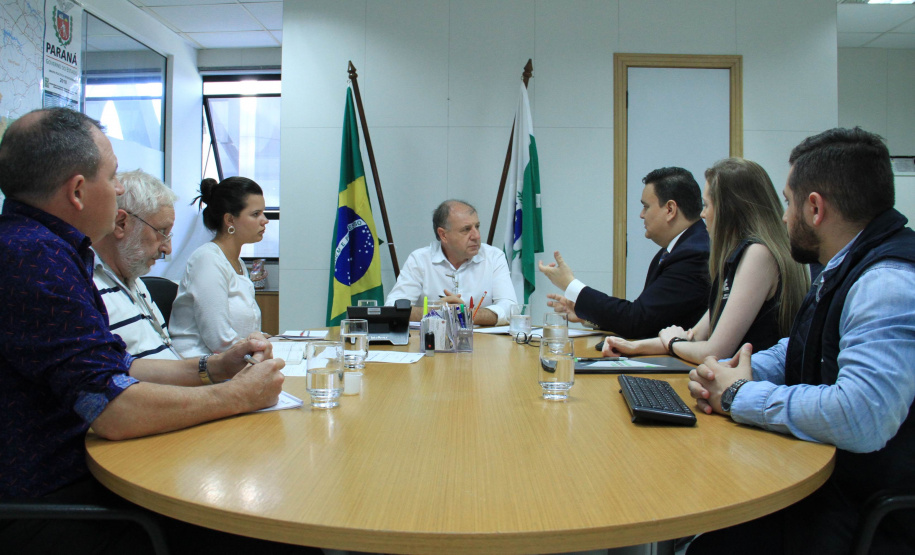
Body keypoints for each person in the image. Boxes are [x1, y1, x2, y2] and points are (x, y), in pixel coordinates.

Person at [0, 109, 301, 553]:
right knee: (271, 527)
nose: (119, 188)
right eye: (114, 175)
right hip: (63, 499)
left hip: (95, 471)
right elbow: (113, 409)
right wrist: (238, 396)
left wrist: (213, 368)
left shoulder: (42, 247)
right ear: (79, 191)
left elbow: (119, 366)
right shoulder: (35, 259)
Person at [686, 128, 915, 554]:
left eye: (788, 202)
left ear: (814, 208)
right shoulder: (844, 265)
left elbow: (861, 416)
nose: (784, 216)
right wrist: (728, 370)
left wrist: (738, 395)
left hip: (864, 515)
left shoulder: (887, 283)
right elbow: (807, 343)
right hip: (825, 482)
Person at [603, 158, 809, 364]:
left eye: (707, 205)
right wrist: (632, 347)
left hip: (751, 387)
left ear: (730, 209)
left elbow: (714, 351)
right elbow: (695, 336)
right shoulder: (736, 257)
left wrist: (673, 342)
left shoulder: (758, 254)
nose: (702, 214)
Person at [538, 166, 710, 338]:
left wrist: (569, 284)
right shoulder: (674, 250)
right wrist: (586, 316)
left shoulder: (693, 255)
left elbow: (637, 320)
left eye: (646, 207)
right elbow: (647, 317)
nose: (641, 215)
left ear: (670, 209)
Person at [169, 177, 268, 357]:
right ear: (230, 220)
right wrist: (260, 352)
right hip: (202, 370)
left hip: (233, 364)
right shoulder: (207, 260)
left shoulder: (237, 264)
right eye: (256, 214)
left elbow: (243, 335)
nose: (265, 220)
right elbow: (220, 341)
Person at [92, 169, 180, 360]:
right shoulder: (88, 287)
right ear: (121, 223)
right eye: (162, 232)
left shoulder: (133, 279)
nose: (167, 249)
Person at [385, 199, 517, 325]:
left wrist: (465, 314)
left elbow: (511, 308)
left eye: (477, 226)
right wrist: (436, 312)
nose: (476, 236)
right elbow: (393, 308)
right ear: (443, 235)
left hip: (483, 342)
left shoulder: (493, 257)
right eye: (466, 229)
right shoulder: (420, 260)